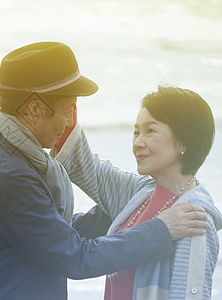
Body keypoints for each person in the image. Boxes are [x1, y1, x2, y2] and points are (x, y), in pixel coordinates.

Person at [0, 42, 209, 300]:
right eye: (66, 112)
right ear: (35, 109)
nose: (67, 124)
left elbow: (40, 234)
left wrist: (126, 210)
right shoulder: (9, 176)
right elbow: (74, 257)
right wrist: (159, 230)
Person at [54, 86, 221, 299]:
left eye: (150, 131)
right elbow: (88, 169)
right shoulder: (140, 193)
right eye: (136, 132)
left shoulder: (193, 217)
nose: (137, 143)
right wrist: (61, 102)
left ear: (184, 141)